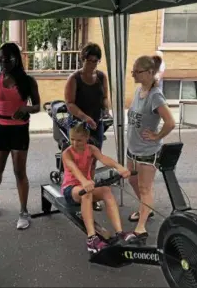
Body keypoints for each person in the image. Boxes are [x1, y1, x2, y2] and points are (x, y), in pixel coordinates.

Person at [0, 42, 41, 230]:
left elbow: (37, 106)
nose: (3, 62)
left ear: (16, 59)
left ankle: (24, 211)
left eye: (7, 59)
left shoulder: (28, 81)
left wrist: (26, 108)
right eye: (0, 59)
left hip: (19, 129)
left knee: (19, 172)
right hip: (0, 127)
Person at [61, 122, 137, 254]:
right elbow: (73, 169)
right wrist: (84, 181)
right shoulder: (67, 153)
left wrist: (119, 167)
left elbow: (104, 159)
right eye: (72, 139)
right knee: (87, 194)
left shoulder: (91, 149)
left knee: (106, 190)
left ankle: (120, 232)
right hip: (71, 189)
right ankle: (91, 238)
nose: (74, 143)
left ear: (86, 137)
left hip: (87, 186)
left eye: (78, 140)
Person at [127, 55, 175, 243]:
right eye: (133, 71)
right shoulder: (140, 90)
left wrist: (156, 136)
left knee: (144, 187)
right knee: (132, 181)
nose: (133, 75)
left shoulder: (156, 95)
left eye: (136, 72)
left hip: (147, 151)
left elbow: (170, 122)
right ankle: (145, 209)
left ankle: (142, 226)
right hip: (133, 148)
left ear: (149, 72)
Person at [64, 42, 111, 211]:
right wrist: (85, 117)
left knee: (93, 158)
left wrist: (106, 108)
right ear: (82, 59)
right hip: (78, 123)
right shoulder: (74, 78)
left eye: (95, 61)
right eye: (89, 60)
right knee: (78, 158)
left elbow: (104, 97)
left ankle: (91, 193)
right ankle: (76, 188)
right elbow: (69, 103)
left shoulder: (101, 77)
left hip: (96, 122)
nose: (92, 64)